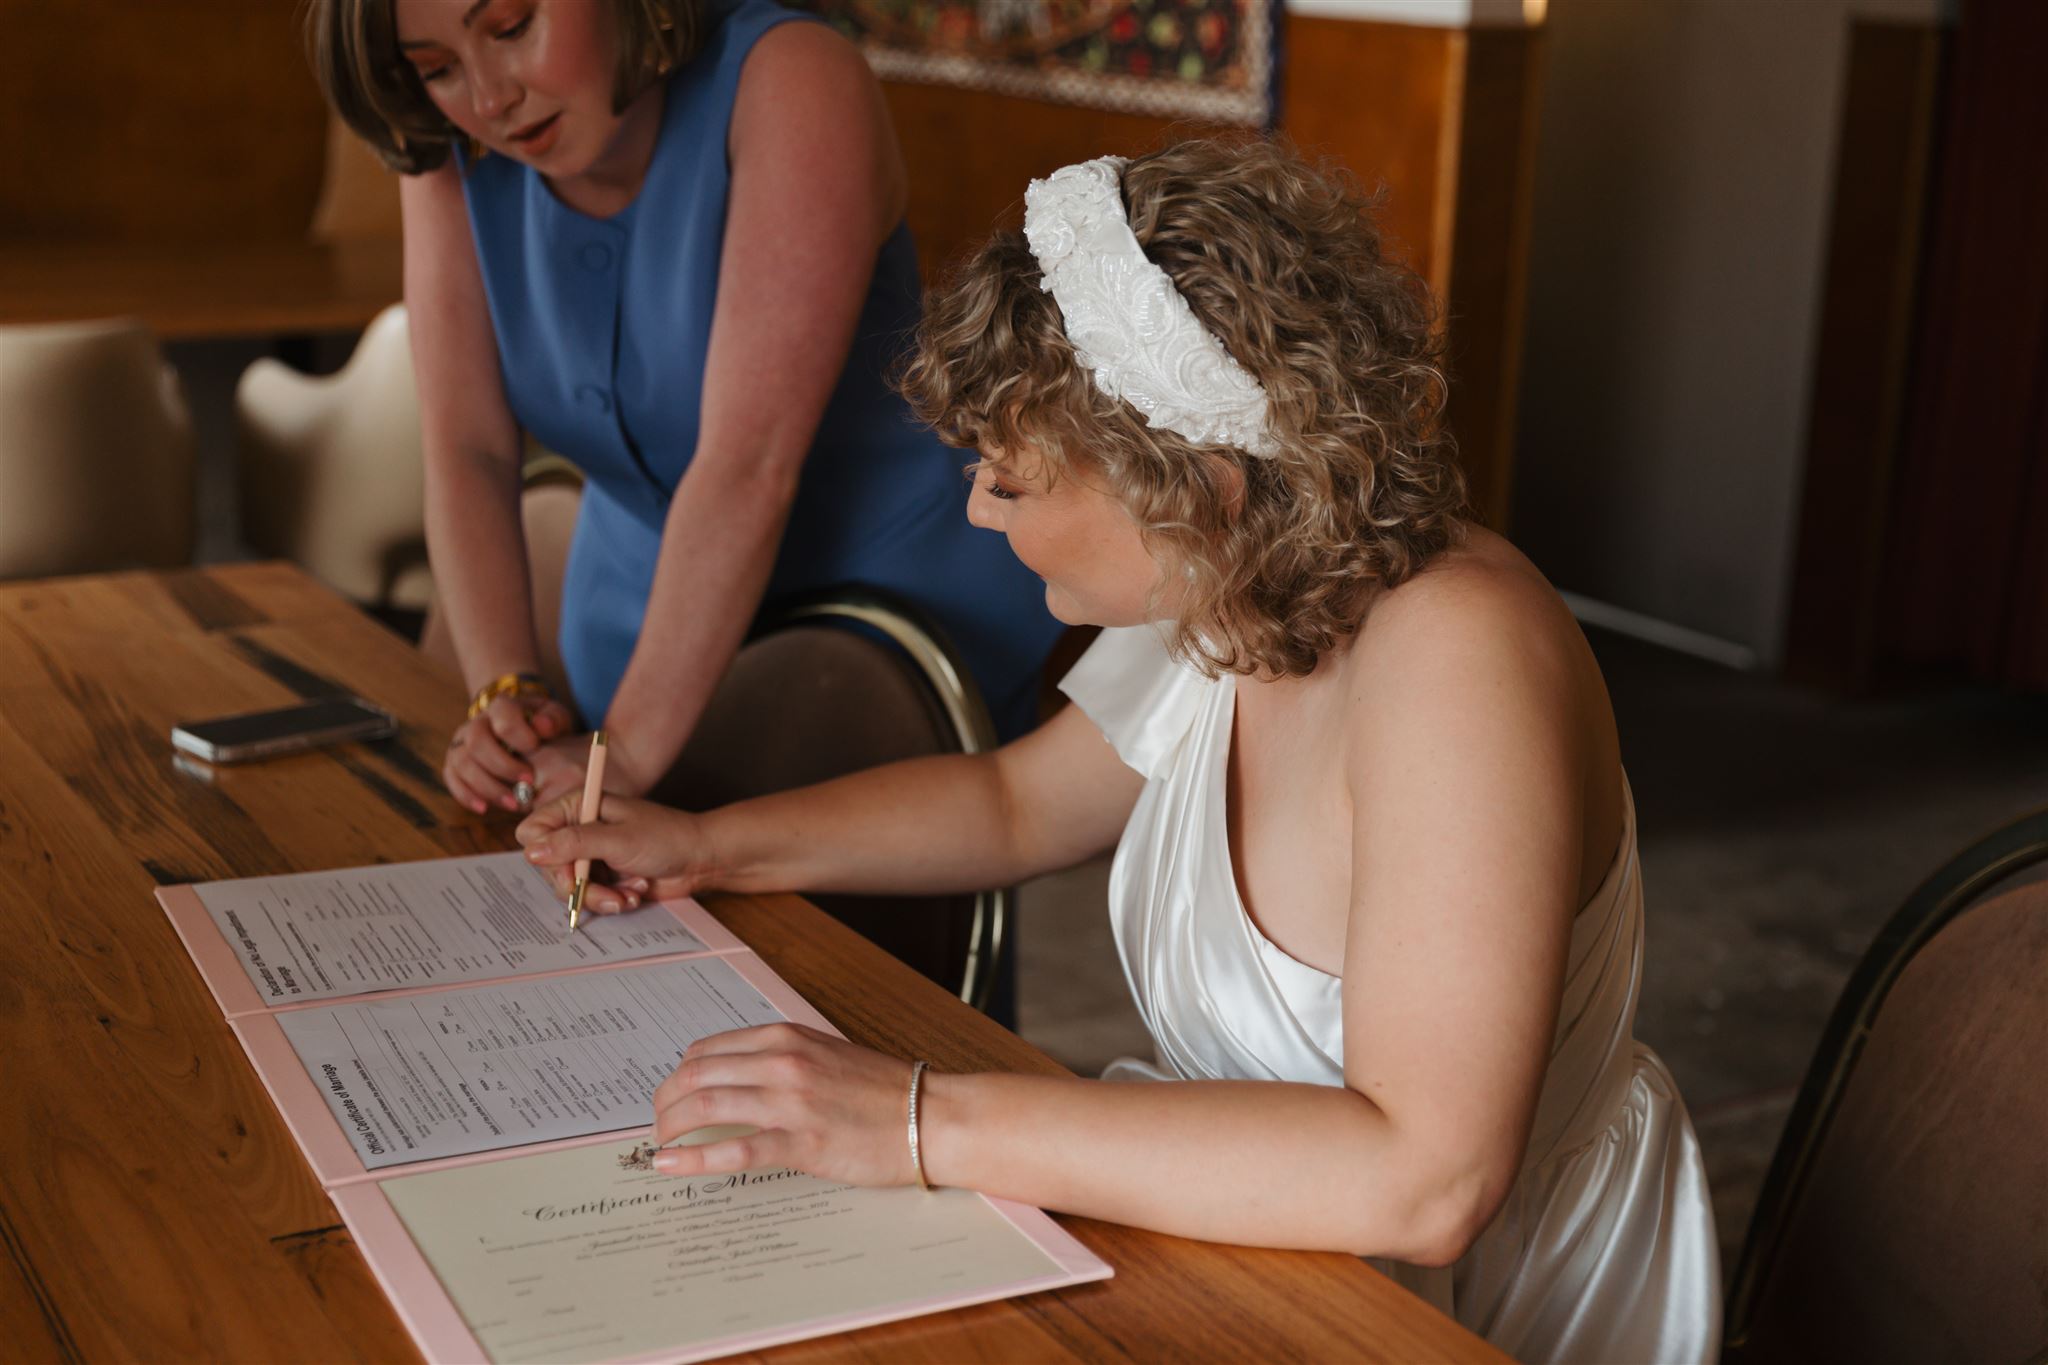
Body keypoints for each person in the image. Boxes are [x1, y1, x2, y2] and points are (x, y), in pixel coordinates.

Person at [518, 138, 1721, 1363]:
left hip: (1455, 1309)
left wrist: (921, 1121)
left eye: (1009, 478)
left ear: (1188, 484)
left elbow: (1428, 1183)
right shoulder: (1242, 584)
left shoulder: (1457, 655)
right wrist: (706, 846)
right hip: (1242, 1242)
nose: (979, 512)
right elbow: (1010, 807)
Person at [308, 0, 1063, 814]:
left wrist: (626, 749)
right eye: (437, 67)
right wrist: (505, 692)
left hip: (883, 609)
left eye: (512, 27)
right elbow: (469, 449)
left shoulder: (792, 78)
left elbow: (749, 464)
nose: (489, 100)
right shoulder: (445, 139)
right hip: (638, 607)